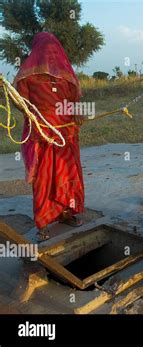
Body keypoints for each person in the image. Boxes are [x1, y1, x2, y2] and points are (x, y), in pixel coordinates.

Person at [14, 32, 85, 241]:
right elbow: (23, 105)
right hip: (42, 135)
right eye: (45, 50)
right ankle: (43, 222)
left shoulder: (67, 77)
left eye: (55, 50)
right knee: (44, 178)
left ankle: (67, 213)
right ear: (36, 51)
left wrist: (77, 113)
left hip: (66, 134)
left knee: (68, 174)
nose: (50, 54)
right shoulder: (26, 77)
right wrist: (12, 94)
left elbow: (74, 102)